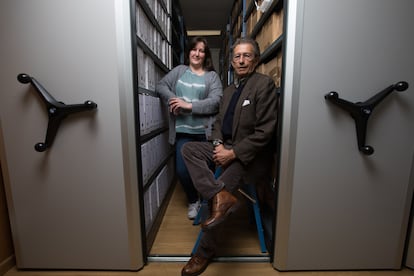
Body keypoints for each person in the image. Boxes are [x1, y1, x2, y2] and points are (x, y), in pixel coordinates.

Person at [180, 37, 279, 276]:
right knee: (189, 149)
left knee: (223, 184)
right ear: (232, 61)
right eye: (237, 56)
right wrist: (217, 146)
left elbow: (265, 132)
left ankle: (204, 251)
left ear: (255, 59)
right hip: (225, 147)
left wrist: (232, 152)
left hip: (250, 157)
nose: (241, 60)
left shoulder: (263, 85)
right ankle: (219, 197)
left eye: (247, 55)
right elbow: (217, 125)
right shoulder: (229, 90)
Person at [156, 36, 223, 220]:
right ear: (189, 52)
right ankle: (193, 199)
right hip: (182, 132)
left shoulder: (212, 77)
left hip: (204, 134)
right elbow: (160, 86)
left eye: (201, 50)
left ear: (205, 55)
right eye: (194, 49)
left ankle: (206, 200)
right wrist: (173, 99)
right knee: (182, 171)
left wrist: (188, 106)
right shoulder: (179, 71)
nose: (197, 53)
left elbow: (216, 102)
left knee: (205, 171)